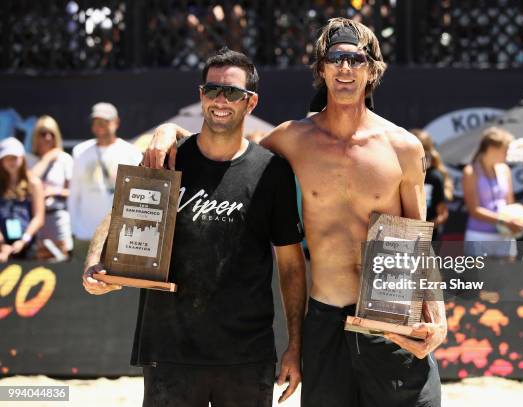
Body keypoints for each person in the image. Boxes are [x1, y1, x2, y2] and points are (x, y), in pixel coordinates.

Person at [144, 19, 446, 407]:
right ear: (321, 69)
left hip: (391, 319)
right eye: (335, 58)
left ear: (372, 70)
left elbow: (419, 242)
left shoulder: (402, 147)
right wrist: (169, 131)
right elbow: (225, 145)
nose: (345, 68)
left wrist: (438, 318)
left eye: (356, 59)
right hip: (325, 319)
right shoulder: (292, 139)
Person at [83, 48, 306, 406]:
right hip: (169, 351)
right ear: (201, 95)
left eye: (232, 92)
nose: (221, 99)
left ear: (251, 103)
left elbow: (292, 267)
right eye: (211, 90)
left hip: (246, 355)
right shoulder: (167, 158)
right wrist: (95, 261)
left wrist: (295, 346)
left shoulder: (271, 172)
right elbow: (119, 211)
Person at [68, 102, 142, 260]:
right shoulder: (79, 151)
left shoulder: (132, 153)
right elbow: (74, 193)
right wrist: (74, 229)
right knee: (81, 282)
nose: (99, 125)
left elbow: (137, 198)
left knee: (115, 283)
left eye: (105, 121)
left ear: (116, 122)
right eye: (96, 121)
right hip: (85, 234)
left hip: (118, 236)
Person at [463, 127, 523, 259]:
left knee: (507, 278)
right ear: (491, 148)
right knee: (478, 279)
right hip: (479, 235)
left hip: (505, 235)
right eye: (505, 149)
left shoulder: (505, 169)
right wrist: (504, 221)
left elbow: (510, 203)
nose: (507, 154)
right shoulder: (470, 171)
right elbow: (474, 210)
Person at [29, 115, 73, 260]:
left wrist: (54, 191)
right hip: (34, 220)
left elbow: (73, 191)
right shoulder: (29, 159)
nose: (48, 138)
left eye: (51, 134)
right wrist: (47, 158)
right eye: (43, 134)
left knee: (61, 257)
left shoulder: (64, 159)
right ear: (35, 137)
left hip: (57, 216)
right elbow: (29, 182)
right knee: (38, 258)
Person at [0, 137, 45, 262]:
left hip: (28, 244)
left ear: (22, 158)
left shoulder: (34, 183)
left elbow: (39, 218)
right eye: (7, 158)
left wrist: (23, 240)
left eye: (14, 157)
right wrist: (2, 244)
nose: (11, 162)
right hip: (2, 246)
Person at [412, 129, 452, 240]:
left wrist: (422, 229)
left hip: (428, 239)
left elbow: (442, 214)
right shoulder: (400, 175)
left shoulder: (434, 177)